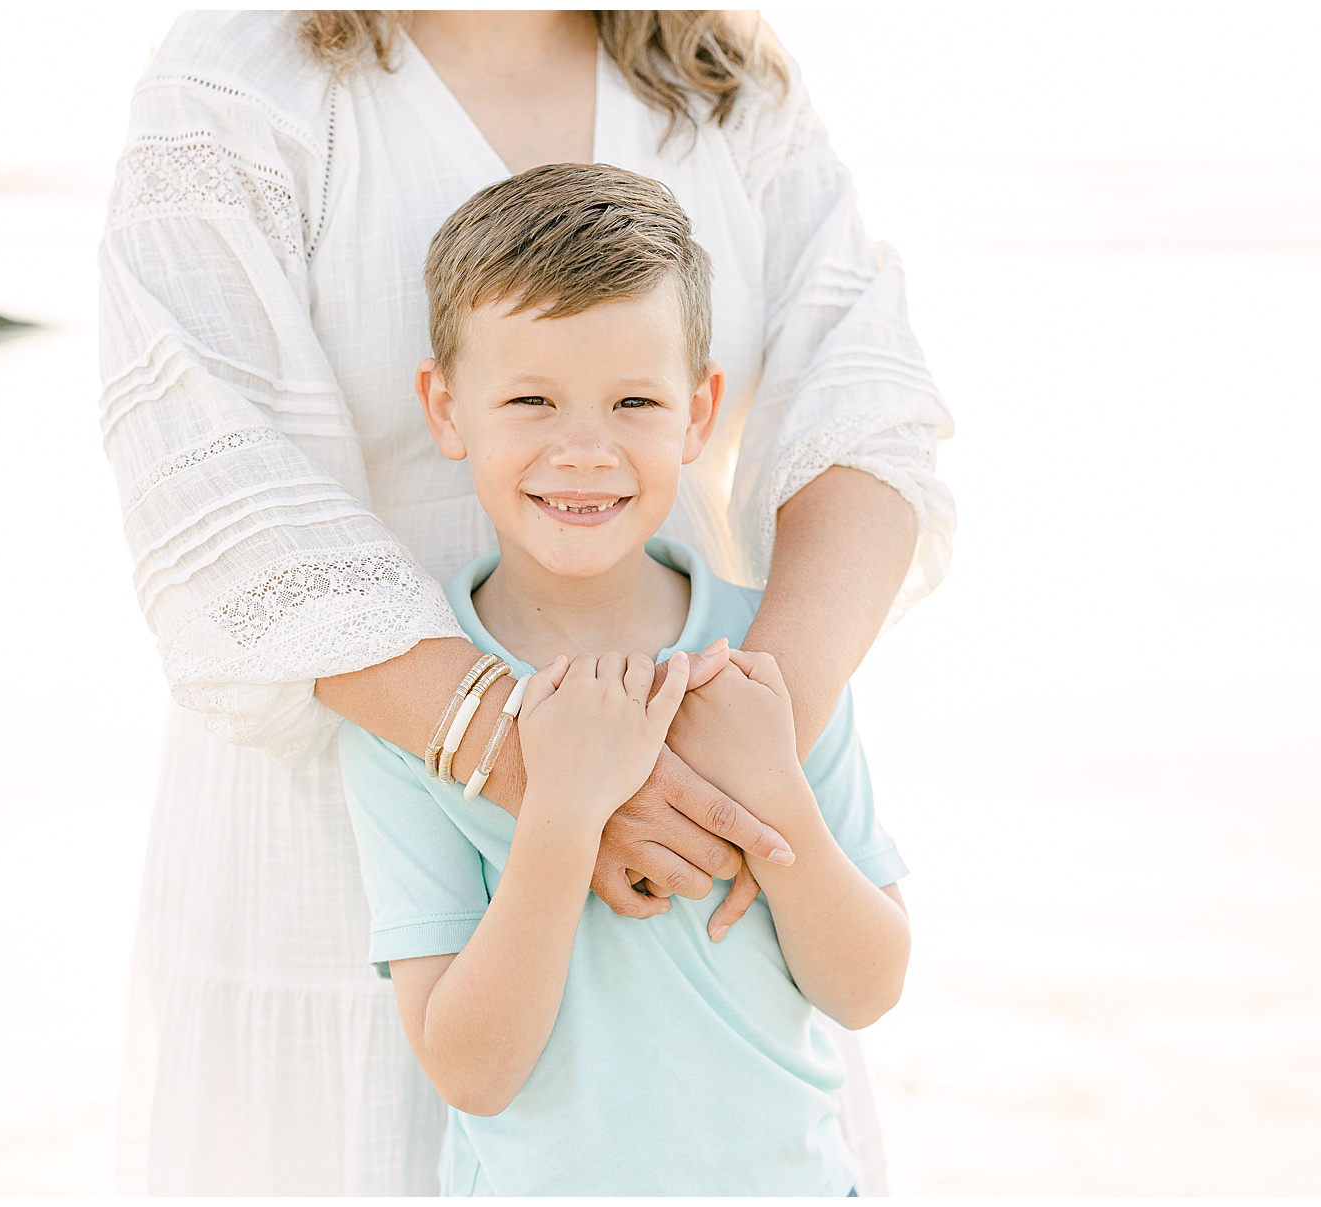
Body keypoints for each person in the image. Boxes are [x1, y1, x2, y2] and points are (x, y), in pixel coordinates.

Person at [99, 10, 953, 1194]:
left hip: (709, 843)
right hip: (357, 796)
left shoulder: (722, 82)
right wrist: (553, 779)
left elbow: (865, 398)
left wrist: (740, 752)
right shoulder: (241, 81)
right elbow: (209, 478)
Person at [340, 163, 912, 1196]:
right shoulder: (413, 708)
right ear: (446, 407)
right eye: (530, 399)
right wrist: (559, 810)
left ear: (699, 413)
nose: (585, 449)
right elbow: (470, 1067)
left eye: (634, 400)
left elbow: (870, 982)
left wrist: (771, 787)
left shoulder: (762, 659)